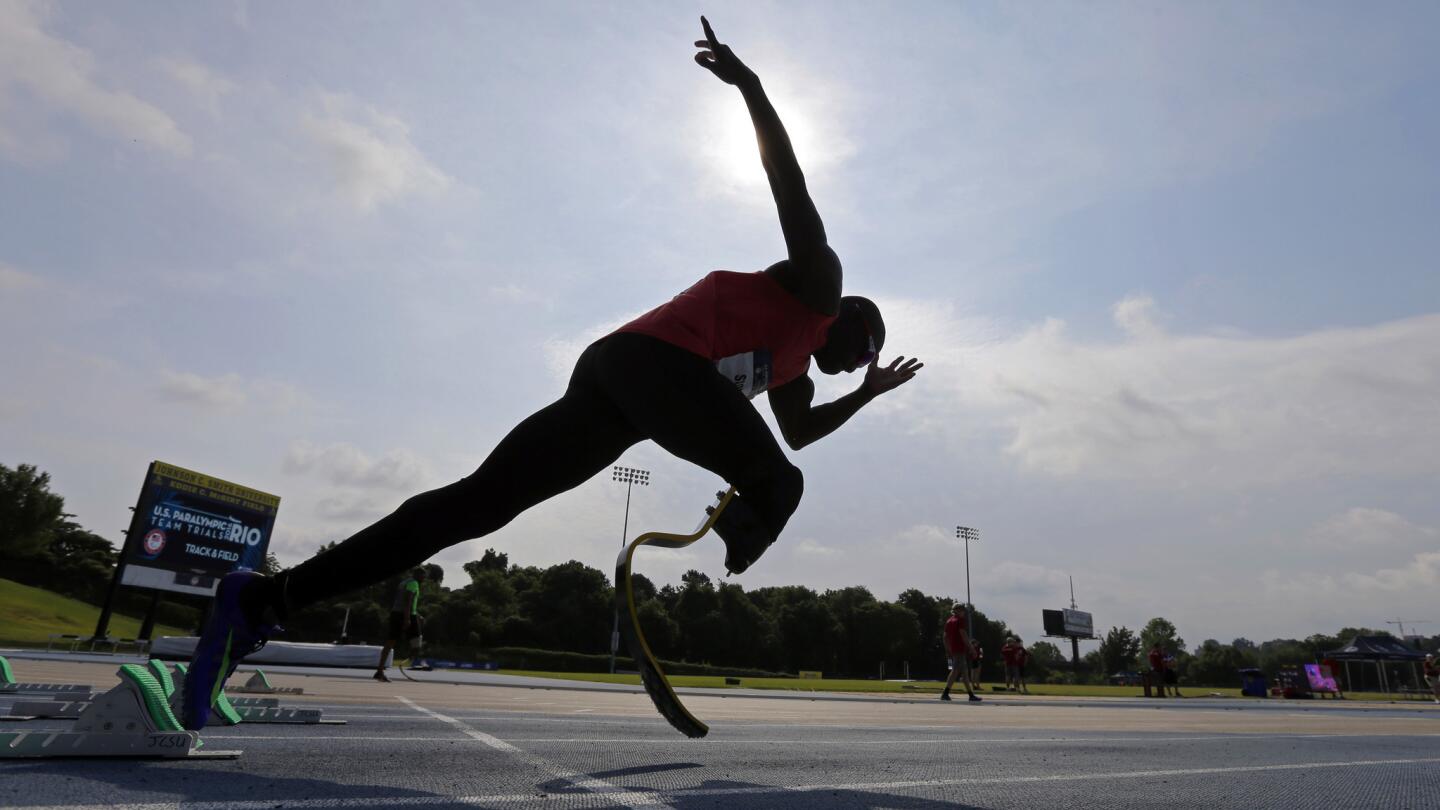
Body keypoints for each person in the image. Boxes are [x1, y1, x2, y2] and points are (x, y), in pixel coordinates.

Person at [180, 17, 923, 731]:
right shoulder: (819, 286)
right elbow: (788, 183)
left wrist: (863, 394)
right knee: (778, 486)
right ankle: (730, 532)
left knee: (474, 506)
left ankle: (264, 599)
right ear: (851, 324)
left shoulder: (794, 370)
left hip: (614, 390)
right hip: (649, 367)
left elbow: (799, 434)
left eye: (858, 366)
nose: (851, 365)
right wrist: (751, 88)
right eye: (859, 355)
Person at [373, 567, 426, 683]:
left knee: (390, 642)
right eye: (423, 576)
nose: (424, 579)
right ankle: (406, 659)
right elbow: (408, 601)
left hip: (397, 613)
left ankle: (379, 671)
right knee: (416, 645)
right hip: (405, 615)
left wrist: (417, 615)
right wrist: (407, 619)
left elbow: (402, 602)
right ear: (417, 575)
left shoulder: (404, 582)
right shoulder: (413, 583)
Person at [941, 604, 980, 703]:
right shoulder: (960, 620)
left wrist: (948, 649)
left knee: (964, 672)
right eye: (962, 610)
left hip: (954, 649)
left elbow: (945, 637)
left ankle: (971, 695)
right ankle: (945, 693)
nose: (964, 612)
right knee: (955, 671)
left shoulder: (949, 621)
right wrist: (972, 648)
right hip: (959, 649)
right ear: (957, 610)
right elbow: (963, 634)